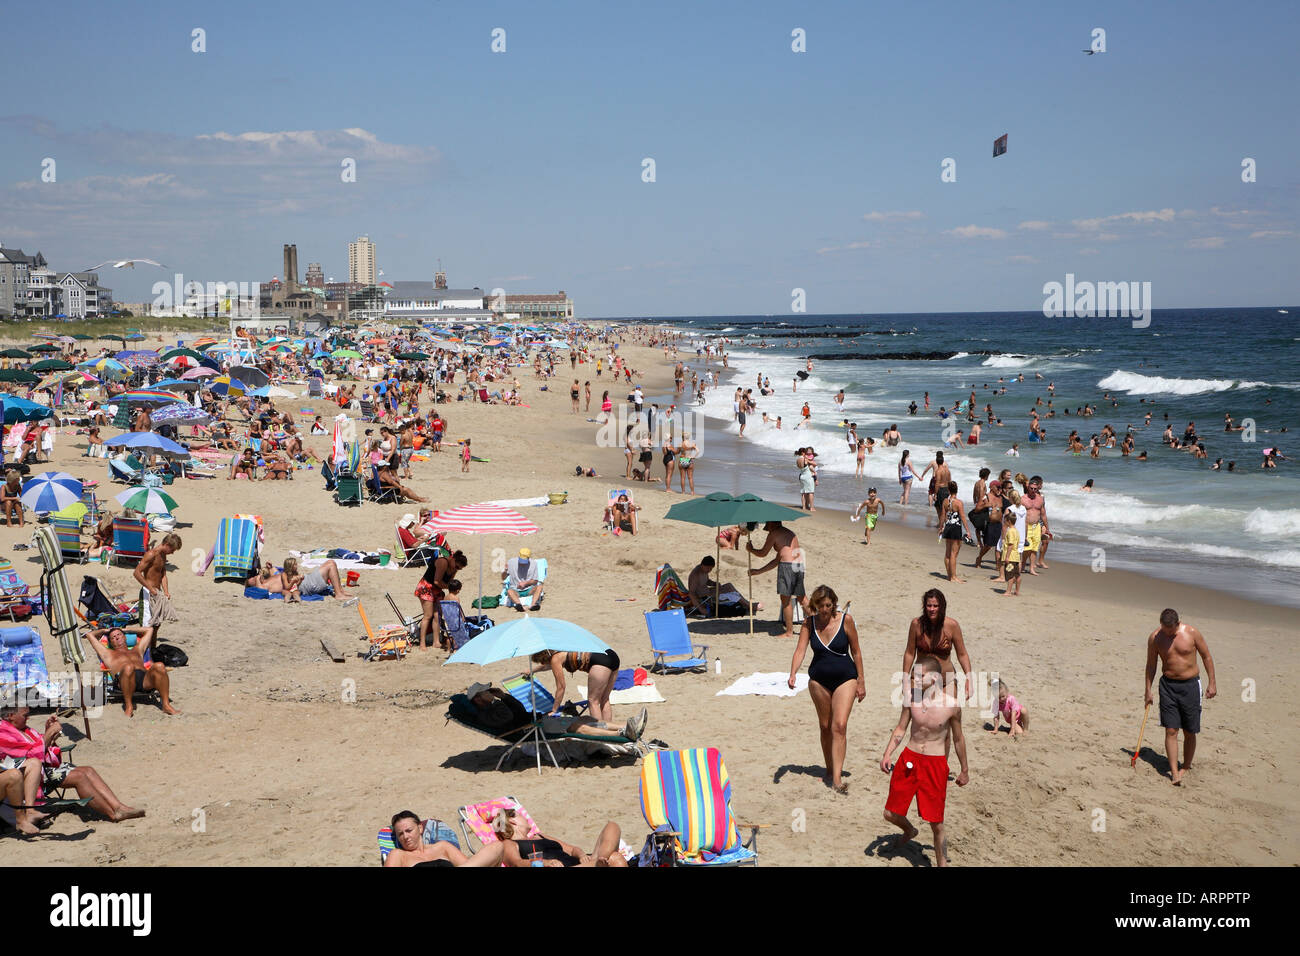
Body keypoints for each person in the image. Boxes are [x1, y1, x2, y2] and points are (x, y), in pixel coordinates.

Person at [879, 655, 970, 867]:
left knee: (936, 822)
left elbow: (958, 739)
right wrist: (887, 753)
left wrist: (964, 769)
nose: (915, 680)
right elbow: (901, 728)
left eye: (919, 676)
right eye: (913, 676)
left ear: (936, 677)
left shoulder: (952, 706)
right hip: (909, 758)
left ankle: (942, 863)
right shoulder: (911, 698)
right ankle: (909, 830)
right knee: (890, 813)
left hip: (935, 764)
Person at [0, 705, 145, 823]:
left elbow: (40, 748)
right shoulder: (3, 733)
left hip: (43, 768)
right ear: (11, 716)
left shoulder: (25, 730)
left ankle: (119, 807)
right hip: (28, 776)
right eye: (25, 715)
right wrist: (49, 734)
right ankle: (112, 814)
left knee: (88, 770)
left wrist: (48, 732)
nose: (28, 717)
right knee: (80, 777)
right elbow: (29, 755)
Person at [787, 585, 864, 794]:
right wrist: (793, 673)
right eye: (821, 606)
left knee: (839, 725)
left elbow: (856, 652)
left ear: (834, 604)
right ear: (815, 605)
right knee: (825, 726)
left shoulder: (845, 621)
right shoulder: (809, 623)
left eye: (828, 605)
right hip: (819, 680)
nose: (825, 610)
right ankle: (829, 769)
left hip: (845, 678)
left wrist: (861, 681)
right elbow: (800, 650)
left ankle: (837, 779)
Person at [1144, 609, 1216, 785]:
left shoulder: (1191, 633)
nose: (1167, 633)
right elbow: (1151, 665)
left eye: (1171, 630)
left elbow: (1206, 657)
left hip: (1190, 686)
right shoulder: (1155, 637)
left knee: (1189, 731)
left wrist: (1212, 683)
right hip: (1168, 686)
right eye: (1164, 628)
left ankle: (1186, 765)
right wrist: (1147, 689)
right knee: (1171, 730)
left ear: (1178, 623)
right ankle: (1175, 772)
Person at [83, 624, 181, 716]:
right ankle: (129, 706)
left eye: (119, 635)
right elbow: (89, 635)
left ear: (125, 637)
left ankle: (166, 705)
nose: (117, 637)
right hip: (123, 681)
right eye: (113, 637)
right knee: (128, 667)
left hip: (144, 680)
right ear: (111, 643)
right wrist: (105, 631)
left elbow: (149, 630)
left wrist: (126, 629)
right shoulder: (108, 654)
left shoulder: (137, 650)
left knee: (159, 665)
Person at [493, 806, 628, 868]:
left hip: (582, 863)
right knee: (616, 859)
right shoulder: (508, 844)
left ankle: (600, 861)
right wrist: (544, 863)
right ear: (512, 821)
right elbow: (517, 863)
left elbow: (572, 849)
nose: (525, 818)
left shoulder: (539, 835)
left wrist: (581, 854)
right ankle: (600, 863)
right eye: (520, 814)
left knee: (612, 826)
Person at [902, 589, 974, 702]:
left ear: (942, 607)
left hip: (946, 681)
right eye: (929, 605)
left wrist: (969, 678)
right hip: (919, 680)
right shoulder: (916, 624)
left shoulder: (952, 626)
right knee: (913, 713)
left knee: (948, 714)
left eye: (935, 606)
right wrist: (905, 678)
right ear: (924, 606)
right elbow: (909, 653)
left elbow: (962, 654)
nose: (932, 609)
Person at [747, 521, 808, 639]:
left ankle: (789, 632)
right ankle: (818, 626)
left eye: (768, 525)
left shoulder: (774, 534)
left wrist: (751, 549)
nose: (767, 528)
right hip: (799, 565)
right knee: (802, 598)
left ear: (772, 524)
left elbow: (763, 553)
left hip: (788, 567)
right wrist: (758, 571)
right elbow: (777, 560)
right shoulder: (789, 533)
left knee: (785, 600)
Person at [384, 810, 506, 867]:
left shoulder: (442, 847)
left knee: (497, 846)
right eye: (400, 834)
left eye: (409, 831)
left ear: (420, 829)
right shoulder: (398, 854)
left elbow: (469, 864)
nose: (405, 836)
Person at [531, 647, 621, 722]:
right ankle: (610, 728)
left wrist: (554, 710)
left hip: (600, 662)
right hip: (611, 655)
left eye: (541, 662)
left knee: (593, 701)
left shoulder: (555, 659)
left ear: (542, 659)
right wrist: (531, 670)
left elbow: (561, 687)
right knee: (604, 699)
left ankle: (600, 734)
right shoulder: (562, 648)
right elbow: (547, 666)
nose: (542, 664)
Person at [417, 550, 468, 650]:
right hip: (426, 587)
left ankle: (436, 642)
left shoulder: (454, 568)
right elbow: (437, 581)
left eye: (459, 568)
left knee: (437, 616)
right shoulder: (442, 562)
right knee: (428, 615)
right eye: (457, 566)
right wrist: (450, 588)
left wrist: (451, 588)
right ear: (453, 559)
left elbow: (449, 583)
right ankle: (422, 644)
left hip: (437, 590)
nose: (456, 569)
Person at [133, 533, 182, 634]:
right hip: (148, 592)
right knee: (147, 627)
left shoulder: (163, 556)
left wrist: (166, 592)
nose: (172, 553)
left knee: (156, 625)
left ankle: (153, 649)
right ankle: (144, 649)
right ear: (167, 544)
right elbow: (136, 573)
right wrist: (150, 589)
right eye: (172, 550)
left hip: (157, 593)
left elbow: (163, 574)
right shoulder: (151, 554)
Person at [688, 555, 761, 616]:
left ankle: (746, 603)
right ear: (702, 565)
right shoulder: (696, 574)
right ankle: (748, 605)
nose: (709, 570)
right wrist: (701, 609)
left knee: (729, 586)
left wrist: (714, 583)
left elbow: (706, 581)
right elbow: (691, 593)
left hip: (708, 592)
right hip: (703, 597)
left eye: (710, 569)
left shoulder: (703, 570)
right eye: (708, 568)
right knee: (729, 590)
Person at [938, 481, 974, 583]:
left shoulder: (945, 501)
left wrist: (941, 527)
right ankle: (953, 577)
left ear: (949, 490)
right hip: (955, 528)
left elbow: (942, 516)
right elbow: (963, 517)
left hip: (948, 527)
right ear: (957, 490)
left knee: (947, 553)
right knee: (954, 553)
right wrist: (968, 531)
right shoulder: (958, 503)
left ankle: (949, 575)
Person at [918, 451, 950, 525]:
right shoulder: (945, 463)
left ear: (936, 456)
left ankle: (930, 505)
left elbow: (926, 469)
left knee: (930, 492)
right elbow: (947, 473)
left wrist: (922, 476)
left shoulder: (933, 462)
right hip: (942, 482)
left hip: (934, 479)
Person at [998, 512, 1021, 596]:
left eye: (1005, 521)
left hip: (1011, 557)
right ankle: (1017, 591)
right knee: (1017, 574)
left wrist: (1007, 557)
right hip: (1016, 556)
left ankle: (1008, 591)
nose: (1004, 523)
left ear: (1009, 521)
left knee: (1009, 575)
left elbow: (1010, 545)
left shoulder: (1010, 531)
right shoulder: (1016, 531)